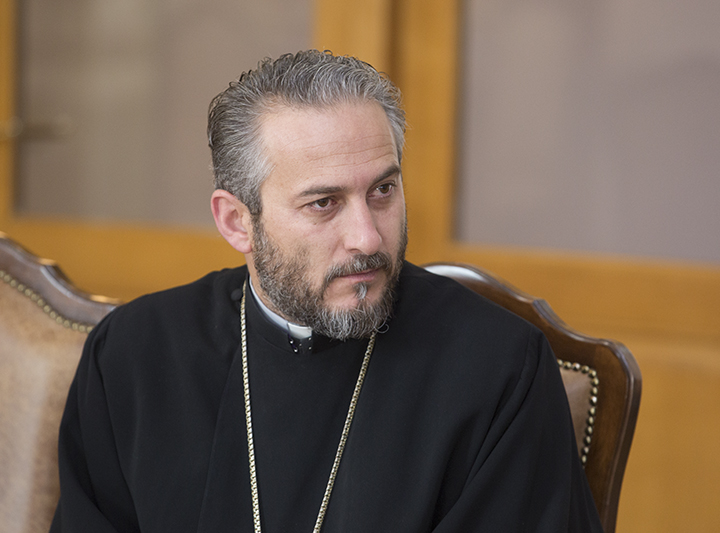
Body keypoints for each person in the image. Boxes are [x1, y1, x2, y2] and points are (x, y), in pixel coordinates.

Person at [50, 50, 603, 532]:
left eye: (382, 191)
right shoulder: (133, 354)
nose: (367, 238)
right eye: (323, 203)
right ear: (237, 222)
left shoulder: (496, 367)